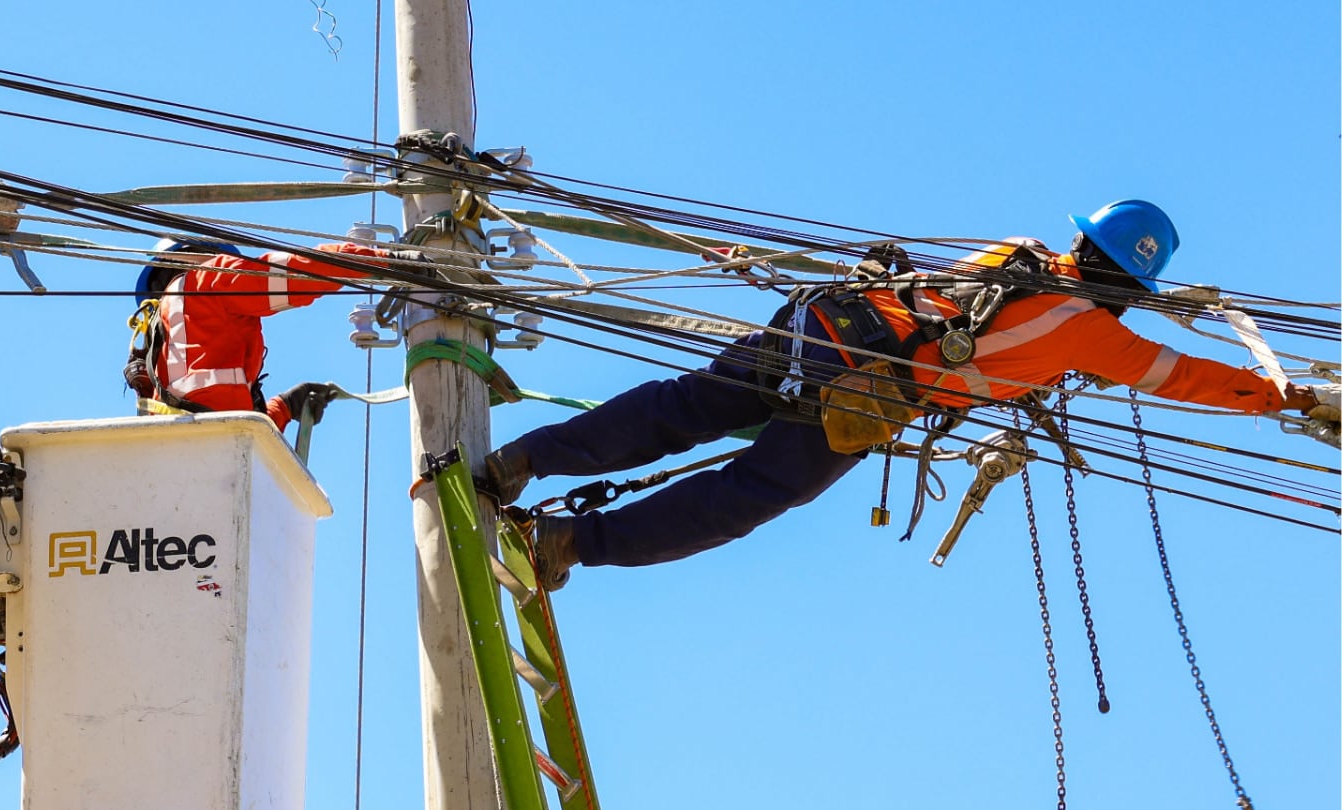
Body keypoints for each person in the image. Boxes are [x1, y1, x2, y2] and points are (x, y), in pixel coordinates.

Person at [481, 200, 1327, 589]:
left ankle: (524, 460)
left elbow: (968, 320)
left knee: (687, 404)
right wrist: (1279, 398)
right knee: (750, 495)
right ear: (1132, 285)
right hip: (866, 389)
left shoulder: (1014, 253)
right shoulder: (1096, 335)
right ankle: (569, 545)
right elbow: (1183, 378)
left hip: (822, 325)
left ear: (1081, 240)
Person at [125, 237, 387, 433]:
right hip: (215, 446)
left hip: (190, 450)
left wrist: (283, 407)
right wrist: (383, 259)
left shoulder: (162, 342)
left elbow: (225, 422)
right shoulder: (208, 279)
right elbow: (296, 274)